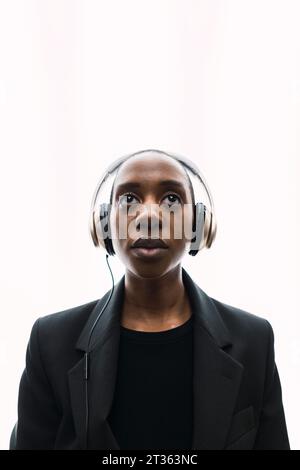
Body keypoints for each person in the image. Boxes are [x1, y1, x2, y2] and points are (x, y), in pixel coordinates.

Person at [15, 149, 290, 450]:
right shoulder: (50, 343)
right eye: (129, 199)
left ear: (198, 225)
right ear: (104, 225)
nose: (149, 217)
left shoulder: (253, 341)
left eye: (171, 199)